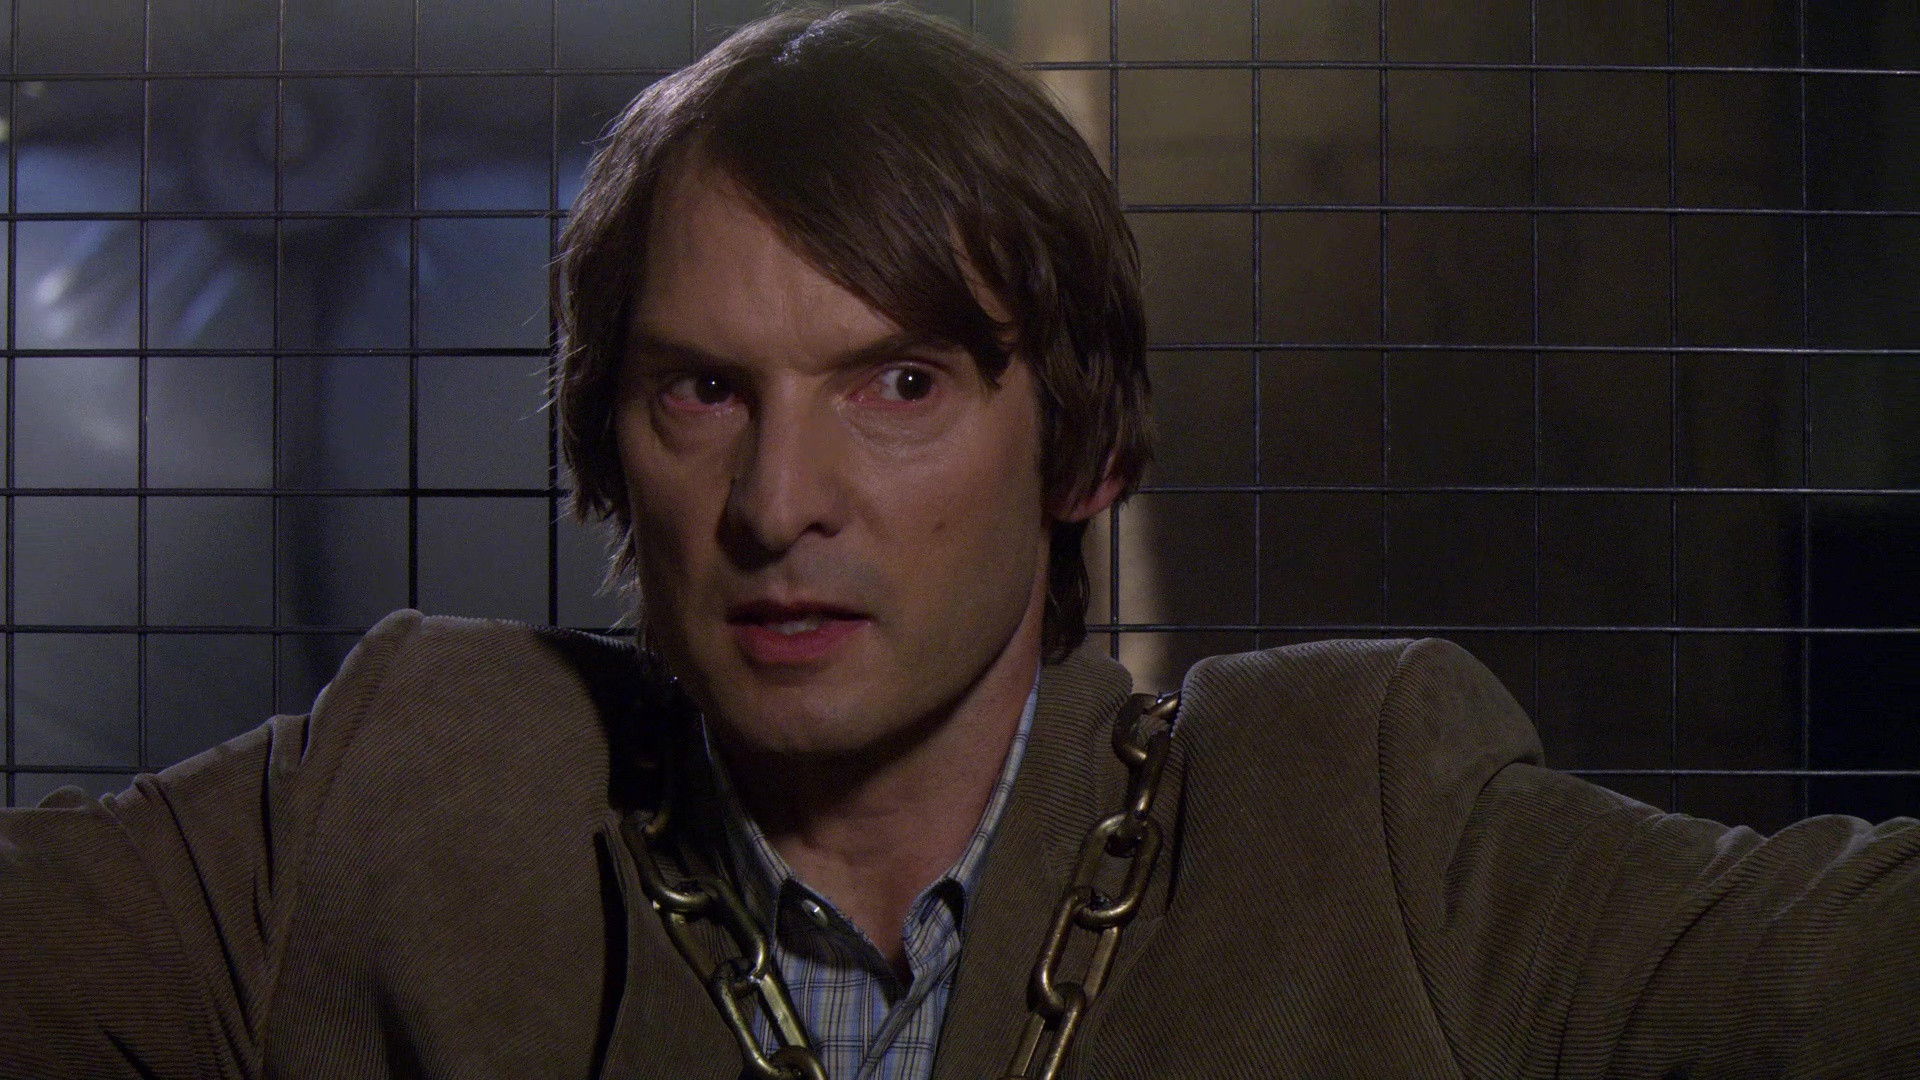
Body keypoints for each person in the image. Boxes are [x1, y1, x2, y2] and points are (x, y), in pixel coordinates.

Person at [2, 5, 1916, 1078]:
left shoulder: (1360, 814)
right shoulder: (418, 786)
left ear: (1077, 444)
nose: (781, 504)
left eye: (899, 385)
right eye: (704, 393)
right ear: (609, 447)